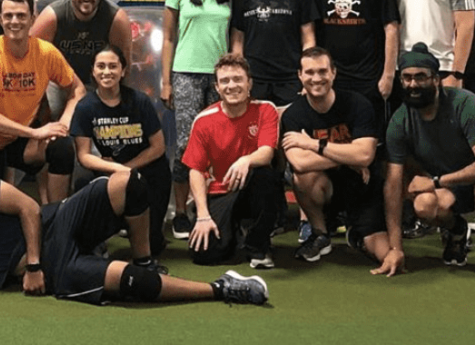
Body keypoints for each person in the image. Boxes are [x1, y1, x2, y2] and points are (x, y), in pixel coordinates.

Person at [0, 167, 269, 308]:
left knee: (130, 184)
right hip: (57, 270)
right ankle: (221, 289)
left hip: (55, 225)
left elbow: (28, 208)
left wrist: (31, 265)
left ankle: (146, 256)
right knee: (130, 284)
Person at [0, 0, 85, 203]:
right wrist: (33, 132)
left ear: (32, 19)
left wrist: (63, 125)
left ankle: (55, 217)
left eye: (21, 15)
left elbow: (78, 90)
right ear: (0, 20)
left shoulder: (45, 52)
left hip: (22, 143)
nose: (14, 21)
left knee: (61, 147)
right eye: (8, 16)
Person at [281, 47, 390, 265]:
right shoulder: (294, 114)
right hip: (324, 187)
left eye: (322, 71)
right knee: (301, 177)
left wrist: (313, 144)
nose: (316, 78)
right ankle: (320, 233)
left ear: (333, 73)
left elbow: (366, 155)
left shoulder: (358, 104)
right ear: (300, 76)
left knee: (382, 254)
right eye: (310, 73)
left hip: (362, 186)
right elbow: (299, 162)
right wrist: (350, 156)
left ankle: (357, 235)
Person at [373, 43, 475, 276]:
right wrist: (395, 248)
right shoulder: (400, 121)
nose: (413, 84)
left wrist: (437, 181)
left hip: (465, 180)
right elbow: (393, 184)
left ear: (436, 79)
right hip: (448, 190)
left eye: (421, 77)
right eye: (407, 78)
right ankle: (457, 231)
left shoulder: (466, 104)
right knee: (424, 205)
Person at [70, 45, 170, 260]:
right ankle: (97, 237)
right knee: (83, 179)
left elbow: (158, 146)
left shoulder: (140, 101)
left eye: (113, 66)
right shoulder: (85, 107)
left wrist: (126, 168)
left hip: (143, 168)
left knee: (152, 245)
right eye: (101, 66)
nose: (107, 72)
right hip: (109, 169)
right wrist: (115, 169)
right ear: (93, 71)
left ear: (123, 71)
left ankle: (149, 231)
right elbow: (84, 156)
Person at [161, 0, 231, 239]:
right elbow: (168, 39)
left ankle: (215, 207)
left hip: (221, 78)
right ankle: (180, 211)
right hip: (186, 74)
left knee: (218, 146)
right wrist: (166, 81)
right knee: (185, 146)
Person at [183, 54, 282, 269]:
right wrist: (202, 215)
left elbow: (266, 153)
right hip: (221, 192)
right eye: (225, 81)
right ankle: (235, 232)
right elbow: (196, 170)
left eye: (238, 79)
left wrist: (246, 160)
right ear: (217, 88)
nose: (232, 85)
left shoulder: (266, 110)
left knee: (266, 174)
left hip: (253, 188)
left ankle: (258, 247)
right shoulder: (203, 121)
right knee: (204, 253)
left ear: (249, 84)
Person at [29, 0, 133, 86]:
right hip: (59, 83)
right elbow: (31, 60)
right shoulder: (51, 17)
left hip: (101, 84)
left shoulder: (116, 19)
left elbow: (124, 67)